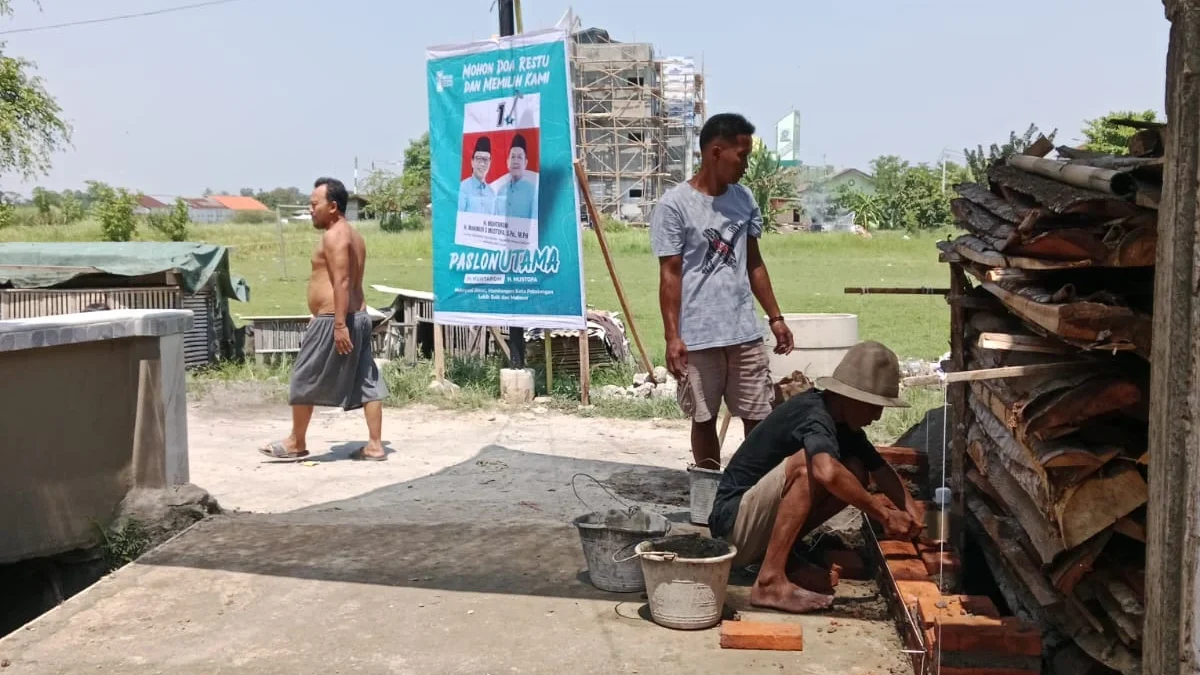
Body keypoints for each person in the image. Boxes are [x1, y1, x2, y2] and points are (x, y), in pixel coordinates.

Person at [708, 341, 924, 613]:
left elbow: (880, 469)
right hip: (732, 526)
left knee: (856, 470)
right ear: (852, 397)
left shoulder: (843, 422)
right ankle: (769, 582)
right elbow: (826, 472)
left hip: (752, 527)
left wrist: (913, 513)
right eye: (874, 406)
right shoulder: (814, 414)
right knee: (811, 468)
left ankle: (783, 557)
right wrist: (885, 515)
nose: (878, 416)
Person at [650, 112, 793, 470]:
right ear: (716, 152)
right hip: (698, 335)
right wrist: (672, 336)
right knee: (703, 417)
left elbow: (754, 264)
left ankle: (751, 490)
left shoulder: (743, 200)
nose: (745, 164)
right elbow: (670, 274)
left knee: (758, 415)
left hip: (743, 332)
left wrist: (775, 318)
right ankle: (710, 490)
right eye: (741, 155)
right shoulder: (674, 206)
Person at [259, 177, 389, 462]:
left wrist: (338, 324)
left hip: (337, 319)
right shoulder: (354, 235)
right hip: (357, 316)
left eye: (314, 204)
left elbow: (341, 282)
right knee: (367, 380)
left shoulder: (334, 236)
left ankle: (296, 441)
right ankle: (375, 445)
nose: (310, 209)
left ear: (333, 206)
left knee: (302, 376)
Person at [496, 133, 537, 220]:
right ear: (507, 162)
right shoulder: (501, 191)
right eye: (513, 157)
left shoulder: (533, 192)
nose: (515, 161)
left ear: (525, 163)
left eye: (519, 157)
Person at [458, 136, 497, 215]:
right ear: (472, 162)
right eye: (478, 158)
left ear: (490, 163)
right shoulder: (462, 188)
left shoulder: (492, 193)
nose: (482, 164)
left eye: (485, 159)